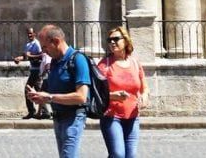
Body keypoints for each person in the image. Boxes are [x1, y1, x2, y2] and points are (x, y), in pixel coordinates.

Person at [27, 23, 93, 158]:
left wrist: (49, 98)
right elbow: (51, 91)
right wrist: (38, 96)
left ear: (56, 41)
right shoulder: (55, 62)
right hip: (58, 118)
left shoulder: (78, 60)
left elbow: (81, 97)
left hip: (73, 118)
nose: (43, 51)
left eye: (45, 46)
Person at [98, 25, 147, 158]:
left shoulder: (135, 63)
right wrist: (113, 96)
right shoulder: (104, 65)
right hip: (111, 117)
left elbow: (144, 88)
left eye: (116, 39)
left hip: (133, 117)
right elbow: (96, 93)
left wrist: (144, 97)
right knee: (118, 154)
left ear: (125, 41)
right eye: (109, 40)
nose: (112, 42)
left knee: (131, 156)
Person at [25, 26, 51, 120]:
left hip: (38, 70)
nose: (29, 35)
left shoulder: (37, 44)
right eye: (28, 33)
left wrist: (31, 56)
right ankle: (44, 112)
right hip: (33, 70)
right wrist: (20, 58)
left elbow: (42, 55)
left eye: (31, 33)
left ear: (34, 34)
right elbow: (27, 57)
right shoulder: (28, 44)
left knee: (29, 89)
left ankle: (34, 112)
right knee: (38, 91)